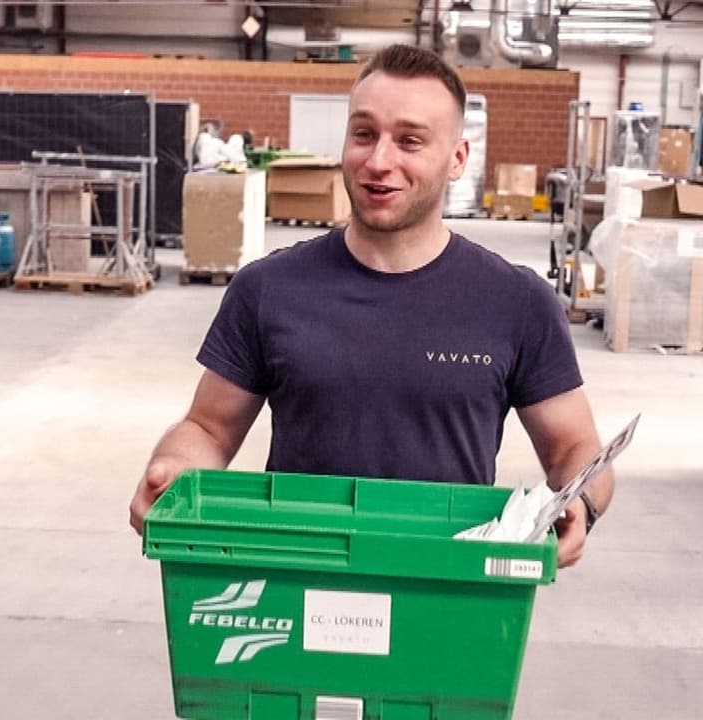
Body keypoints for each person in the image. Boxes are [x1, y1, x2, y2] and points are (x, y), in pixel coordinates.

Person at [128, 44, 611, 568]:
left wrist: (579, 502)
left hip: (446, 581)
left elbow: (574, 447)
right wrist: (172, 468)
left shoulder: (516, 302)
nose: (379, 161)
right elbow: (209, 428)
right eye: (364, 134)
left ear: (457, 159)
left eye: (409, 140)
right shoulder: (268, 289)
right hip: (297, 575)